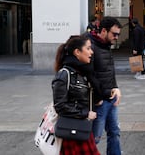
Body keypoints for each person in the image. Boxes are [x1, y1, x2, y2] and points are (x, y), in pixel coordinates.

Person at [52, 35, 100, 155]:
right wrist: (85, 113)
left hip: (83, 129)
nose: (91, 52)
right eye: (88, 48)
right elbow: (60, 106)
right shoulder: (64, 74)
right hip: (72, 131)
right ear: (77, 52)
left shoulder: (82, 73)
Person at [88, 16, 122, 155]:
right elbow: (89, 75)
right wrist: (98, 98)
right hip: (99, 101)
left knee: (114, 132)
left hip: (110, 97)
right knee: (94, 138)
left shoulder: (106, 46)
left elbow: (108, 72)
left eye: (118, 35)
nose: (116, 38)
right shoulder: (89, 46)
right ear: (103, 31)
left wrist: (116, 88)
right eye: (114, 34)